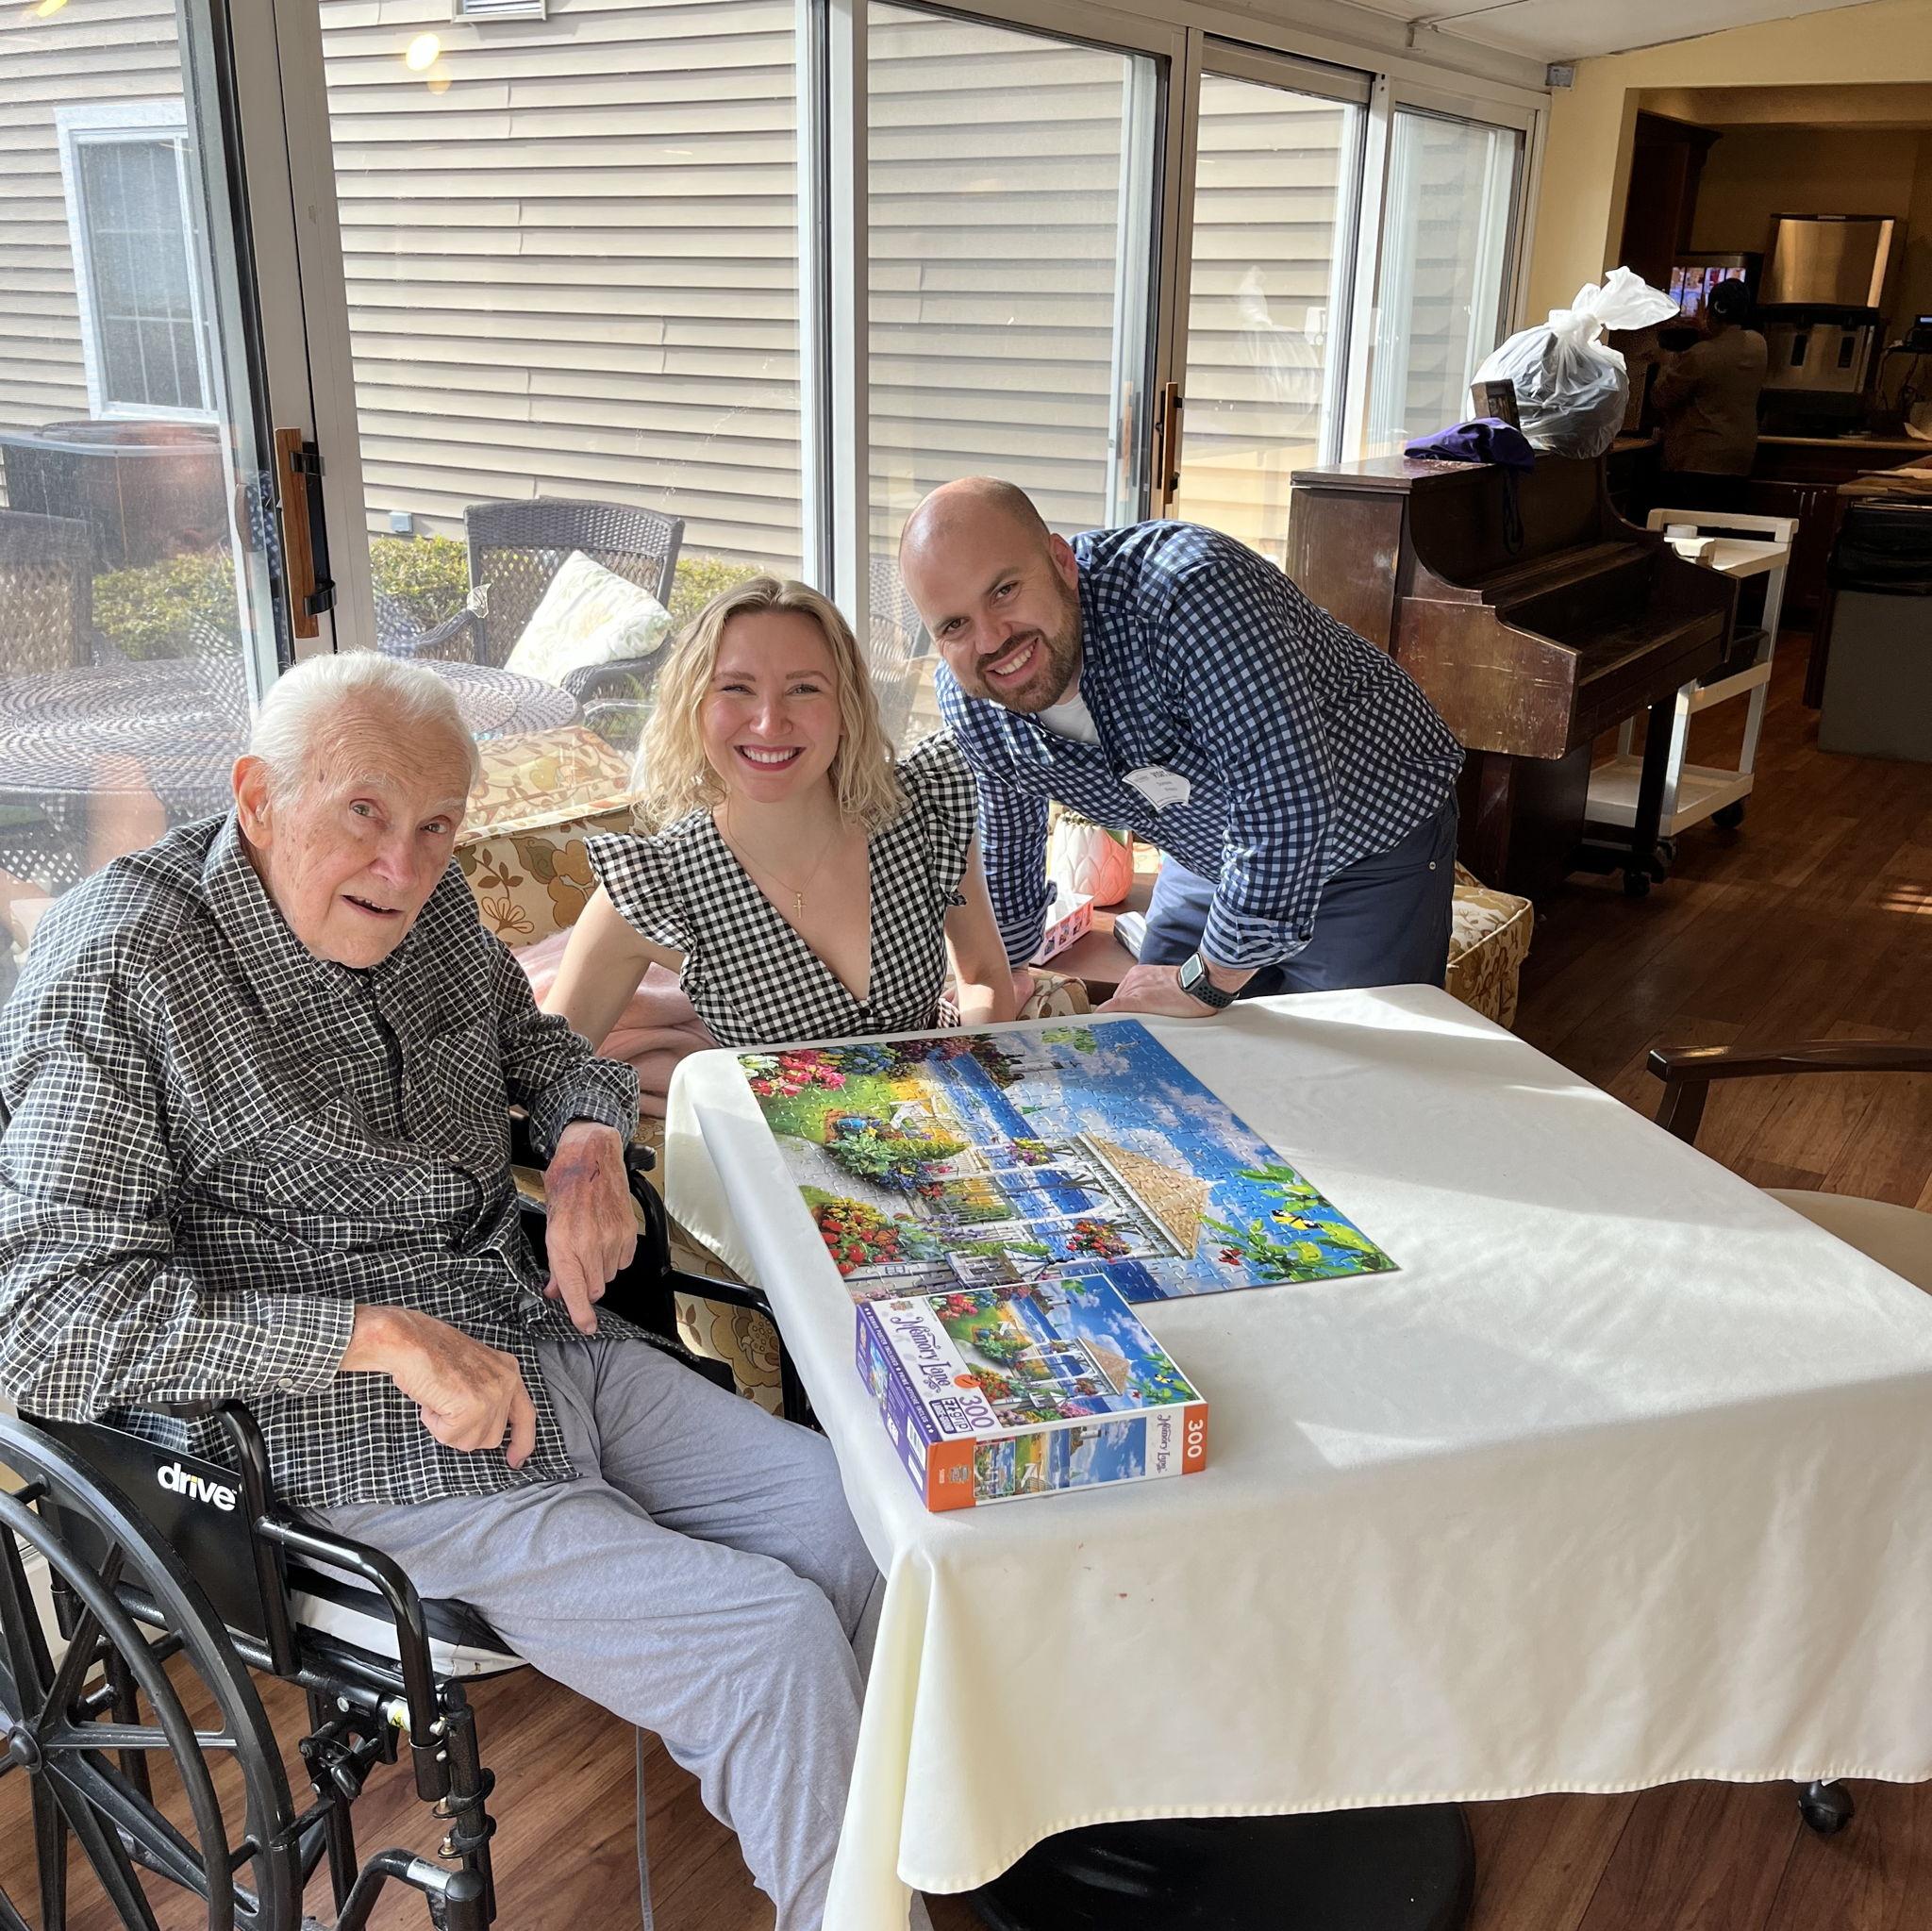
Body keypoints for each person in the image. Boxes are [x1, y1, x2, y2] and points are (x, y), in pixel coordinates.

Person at [0, 653, 891, 1931]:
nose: (404, 865)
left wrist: (586, 1139)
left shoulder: (427, 907)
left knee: (858, 1524)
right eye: (363, 811)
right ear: (257, 797)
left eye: (437, 825)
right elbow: (46, 1322)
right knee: (768, 1638)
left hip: (536, 1330)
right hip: (343, 1430)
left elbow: (540, 1042)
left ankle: (904, 1855)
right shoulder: (124, 964)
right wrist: (379, 1336)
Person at [896, 478, 1466, 1017]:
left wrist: (1208, 980)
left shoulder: (1191, 593)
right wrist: (1008, 970)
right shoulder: (971, 695)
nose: (991, 640)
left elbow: (1285, 806)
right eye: (954, 625)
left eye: (1004, 591)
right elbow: (1008, 842)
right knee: (1159, 1046)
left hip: (1367, 839)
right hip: (1207, 850)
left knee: (1344, 1070)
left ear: (1062, 562)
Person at [544, 575, 1017, 1053]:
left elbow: (982, 975)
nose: (770, 723)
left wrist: (973, 1066)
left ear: (846, 706)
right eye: (736, 688)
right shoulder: (652, 888)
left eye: (804, 689)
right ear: (694, 706)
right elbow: (550, 1068)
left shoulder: (924, 807)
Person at [1652, 277, 1768, 515]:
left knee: (1688, 527)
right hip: (1740, 457)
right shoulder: (1758, 344)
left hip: (1698, 458)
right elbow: (1727, 349)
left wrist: (1665, 362)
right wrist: (1708, 332)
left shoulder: (1699, 355)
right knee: (1722, 525)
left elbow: (1662, 398)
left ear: (1710, 312)